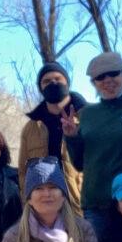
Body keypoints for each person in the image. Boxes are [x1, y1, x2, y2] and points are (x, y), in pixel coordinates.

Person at [63, 52, 122, 242]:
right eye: (100, 77)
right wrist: (71, 137)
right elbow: (80, 163)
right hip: (95, 201)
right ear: (94, 83)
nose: (107, 80)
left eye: (113, 74)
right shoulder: (87, 114)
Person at [18, 61, 87, 214]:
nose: (53, 83)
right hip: (44, 208)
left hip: (82, 206)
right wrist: (28, 202)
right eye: (46, 81)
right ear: (41, 88)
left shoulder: (88, 119)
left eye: (58, 79)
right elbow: (23, 171)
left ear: (67, 83)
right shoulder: (31, 127)